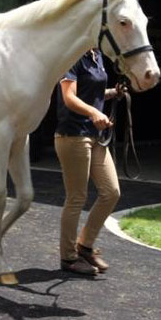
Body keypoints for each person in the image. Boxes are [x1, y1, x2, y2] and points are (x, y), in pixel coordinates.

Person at [54, 48, 125, 275]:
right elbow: (69, 97)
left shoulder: (97, 56)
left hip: (95, 136)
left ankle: (84, 246)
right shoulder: (71, 55)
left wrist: (113, 92)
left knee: (111, 191)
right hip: (73, 135)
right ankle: (68, 257)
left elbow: (90, 91)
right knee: (77, 197)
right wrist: (94, 113)